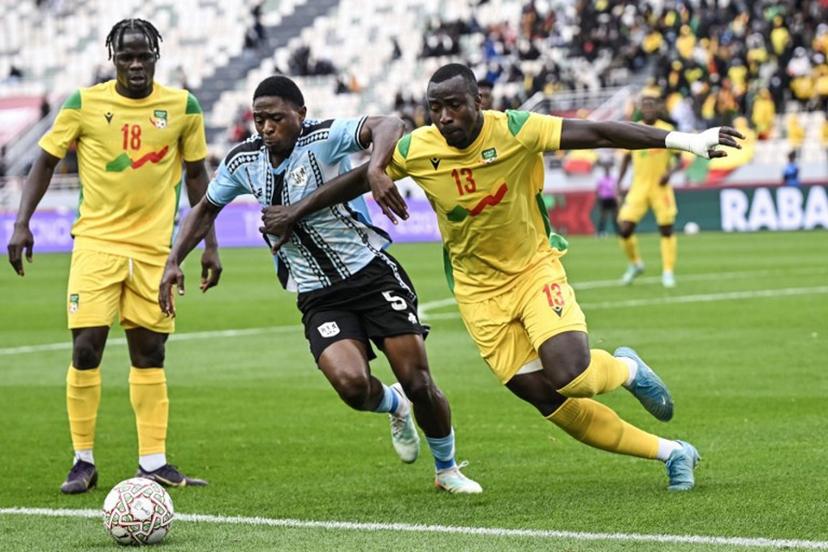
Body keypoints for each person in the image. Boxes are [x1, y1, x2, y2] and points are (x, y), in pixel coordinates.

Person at [262, 63, 744, 491]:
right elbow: (353, 179)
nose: (444, 117)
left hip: (534, 270)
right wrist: (308, 206)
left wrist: (685, 141)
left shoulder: (517, 129)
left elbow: (598, 133)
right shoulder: (419, 147)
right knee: (548, 400)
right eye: (435, 109)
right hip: (477, 293)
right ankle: (671, 452)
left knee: (571, 373)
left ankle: (627, 370)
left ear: (480, 102)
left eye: (454, 105)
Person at [159, 75, 482, 494]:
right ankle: (394, 405)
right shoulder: (243, 161)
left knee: (419, 380)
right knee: (351, 386)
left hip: (371, 273)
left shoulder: (326, 137)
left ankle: (447, 470)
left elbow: (390, 124)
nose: (266, 128)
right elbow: (204, 209)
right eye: (258, 119)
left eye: (275, 118)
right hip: (317, 292)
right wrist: (173, 260)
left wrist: (379, 168)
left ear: (301, 114)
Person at [6, 18, 221, 494]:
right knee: (86, 350)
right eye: (127, 57)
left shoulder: (183, 107)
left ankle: (153, 461)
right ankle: (83, 460)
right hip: (96, 245)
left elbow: (197, 178)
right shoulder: (85, 103)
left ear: (156, 56)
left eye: (145, 56)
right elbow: (43, 162)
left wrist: (209, 245)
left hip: (153, 252)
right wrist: (22, 223)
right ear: (113, 58)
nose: (137, 64)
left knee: (151, 352)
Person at [616, 94, 683, 288]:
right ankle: (635, 263)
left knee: (666, 229)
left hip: (660, 188)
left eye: (651, 105)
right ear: (640, 108)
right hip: (638, 187)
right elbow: (626, 159)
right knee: (624, 228)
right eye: (644, 105)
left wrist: (669, 173)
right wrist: (618, 183)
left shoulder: (667, 130)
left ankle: (668, 271)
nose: (648, 109)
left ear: (658, 108)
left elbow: (679, 158)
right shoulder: (633, 129)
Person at [595, 162, 619, 237]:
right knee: (603, 217)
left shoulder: (613, 179)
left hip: (612, 199)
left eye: (608, 169)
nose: (607, 170)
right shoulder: (601, 179)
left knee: (615, 217)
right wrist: (598, 201)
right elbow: (598, 191)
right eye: (606, 169)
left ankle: (618, 232)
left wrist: (616, 198)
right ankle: (600, 232)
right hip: (604, 199)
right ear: (604, 170)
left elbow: (615, 190)